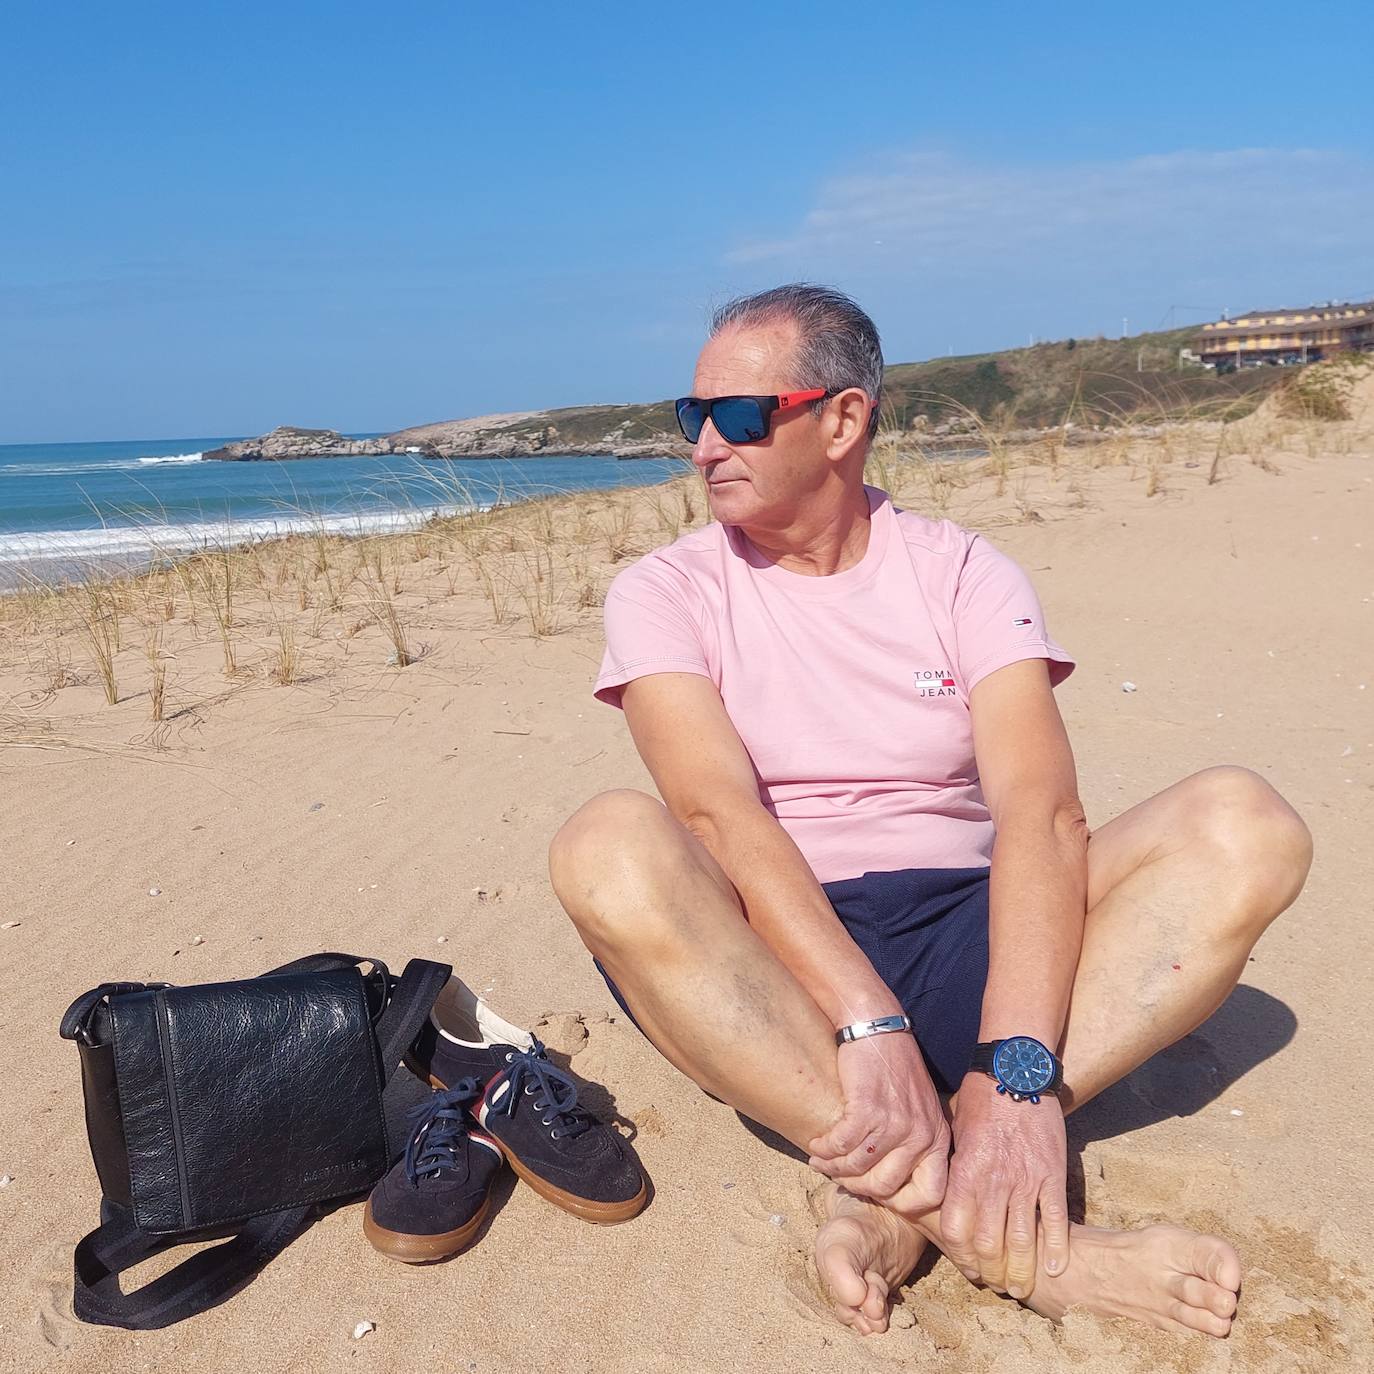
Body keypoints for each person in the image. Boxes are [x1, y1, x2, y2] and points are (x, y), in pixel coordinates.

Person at [548, 284, 1312, 1339]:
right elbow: (719, 816)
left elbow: (1039, 813)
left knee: (1247, 823)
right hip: (775, 956)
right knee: (606, 845)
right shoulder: (665, 591)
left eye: (736, 416)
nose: (702, 448)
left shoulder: (960, 573)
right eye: (692, 418)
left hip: (969, 929)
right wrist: (869, 1022)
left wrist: (1016, 1078)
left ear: (844, 420)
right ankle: (986, 1228)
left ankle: (929, 1166)